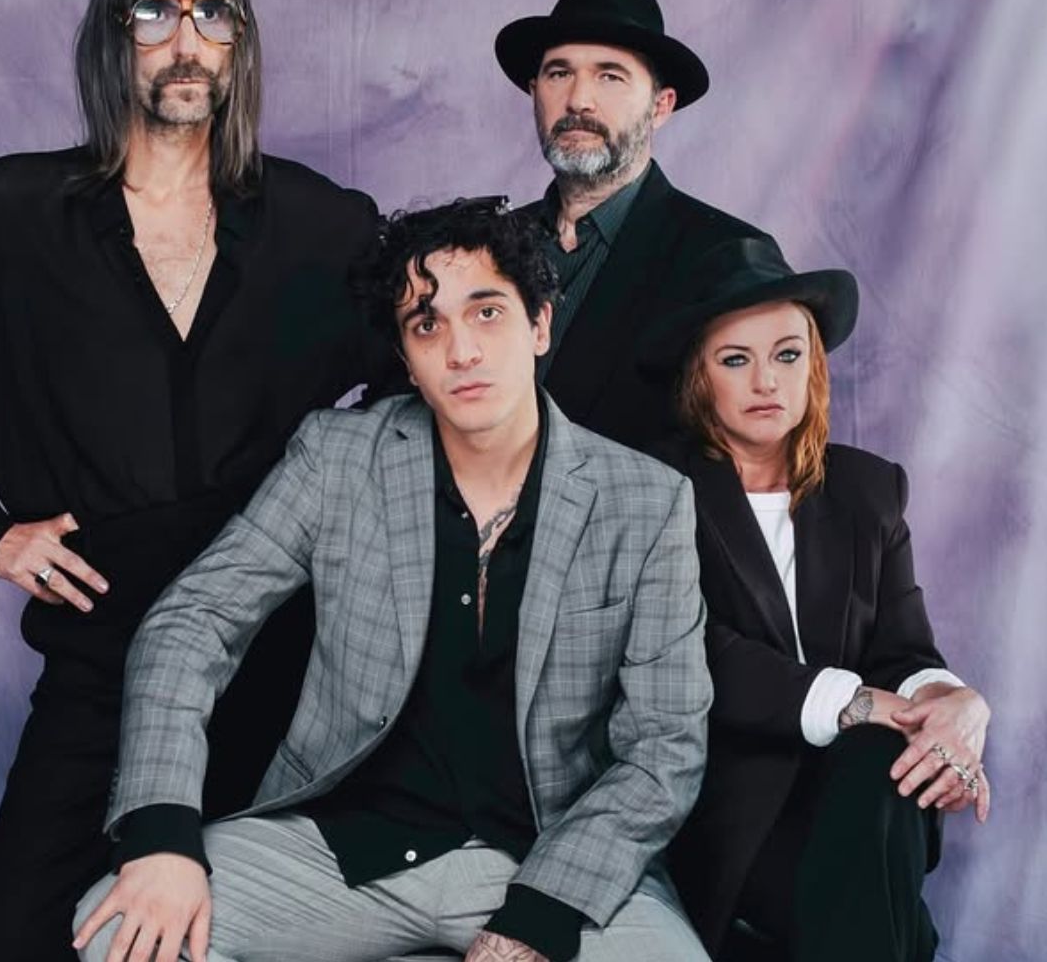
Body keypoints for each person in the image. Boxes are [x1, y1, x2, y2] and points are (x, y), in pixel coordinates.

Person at [0, 0, 384, 961]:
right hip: (102, 656)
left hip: (278, 663)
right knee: (17, 939)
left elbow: (434, 375)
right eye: (157, 12)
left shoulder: (320, 225)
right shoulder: (17, 214)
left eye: (212, 12)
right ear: (114, 33)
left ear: (239, 39)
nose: (187, 39)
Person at [70, 198, 712, 962]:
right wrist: (161, 832)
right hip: (345, 848)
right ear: (406, 359)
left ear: (540, 325)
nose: (461, 351)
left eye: (487, 313)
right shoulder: (337, 456)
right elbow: (193, 621)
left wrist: (541, 916)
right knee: (119, 930)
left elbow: (665, 747)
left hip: (547, 853)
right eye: (426, 325)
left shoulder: (646, 500)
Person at [643, 240, 994, 960]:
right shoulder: (656, 490)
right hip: (730, 809)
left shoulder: (868, 490)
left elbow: (904, 650)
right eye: (735, 360)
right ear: (699, 377)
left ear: (814, 367)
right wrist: (859, 703)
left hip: (866, 802)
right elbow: (696, 654)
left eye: (787, 355)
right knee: (880, 837)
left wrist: (953, 710)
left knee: (882, 767)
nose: (765, 380)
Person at [494, 0, 786, 452]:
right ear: (534, 92)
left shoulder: (728, 257)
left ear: (660, 106)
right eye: (559, 73)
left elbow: (759, 456)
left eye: (610, 76)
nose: (578, 100)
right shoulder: (484, 246)